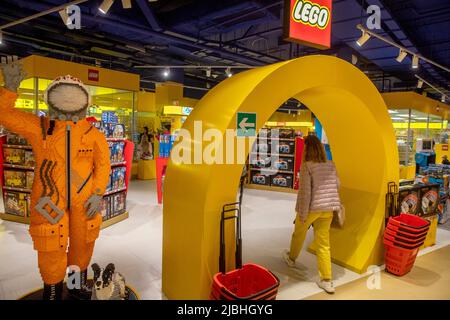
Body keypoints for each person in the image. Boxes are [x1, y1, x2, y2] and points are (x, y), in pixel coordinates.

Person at [0, 61, 111, 300]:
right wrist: (9, 88)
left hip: (85, 200)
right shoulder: (38, 127)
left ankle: (73, 286)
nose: (69, 99)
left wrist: (98, 192)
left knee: (82, 245)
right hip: (48, 200)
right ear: (49, 99)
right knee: (51, 244)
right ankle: (52, 290)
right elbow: (5, 115)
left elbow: (103, 166)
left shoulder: (94, 135)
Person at [283, 134, 341, 294]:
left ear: (307, 149)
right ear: (321, 148)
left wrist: (302, 213)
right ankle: (327, 280)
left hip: (311, 209)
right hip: (328, 209)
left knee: (298, 235)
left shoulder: (307, 166)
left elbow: (305, 193)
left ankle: (292, 259)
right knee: (323, 244)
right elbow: (337, 185)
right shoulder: (331, 164)